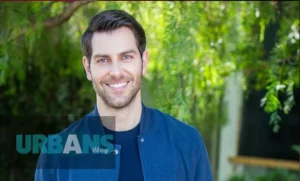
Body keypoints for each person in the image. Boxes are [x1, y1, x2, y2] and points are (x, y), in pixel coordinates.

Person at [35, 9, 212, 181]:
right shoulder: (56, 155)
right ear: (88, 68)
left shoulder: (187, 142)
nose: (116, 72)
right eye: (103, 60)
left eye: (126, 57)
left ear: (144, 62)